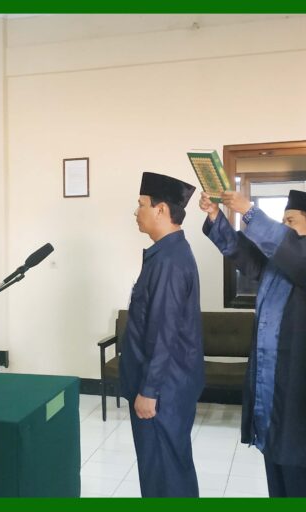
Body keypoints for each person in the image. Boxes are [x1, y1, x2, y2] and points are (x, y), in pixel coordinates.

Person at [199, 189, 306, 497]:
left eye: (290, 221)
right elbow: (242, 252)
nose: (283, 228)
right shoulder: (279, 264)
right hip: (270, 395)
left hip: (300, 395)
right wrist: (216, 216)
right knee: (276, 473)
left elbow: (294, 251)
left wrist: (249, 211)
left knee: (304, 476)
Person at [119, 172, 205, 497]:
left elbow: (164, 332)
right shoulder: (168, 254)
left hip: (162, 389)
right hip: (168, 384)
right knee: (170, 469)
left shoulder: (169, 261)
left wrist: (149, 391)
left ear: (161, 209)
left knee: (164, 477)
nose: (136, 211)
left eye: (141, 204)